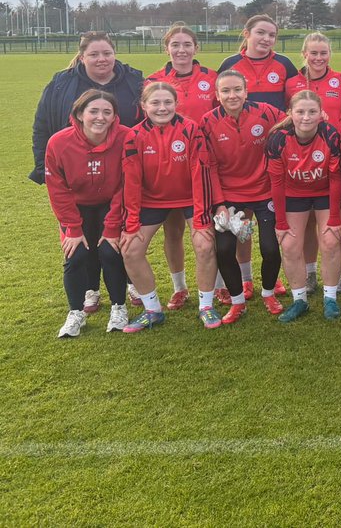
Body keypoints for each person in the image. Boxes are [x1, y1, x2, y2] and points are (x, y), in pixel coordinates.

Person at [119, 82, 226, 332]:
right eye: (155, 103)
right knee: (131, 250)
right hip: (152, 201)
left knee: (205, 244)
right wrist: (131, 223)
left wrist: (200, 220)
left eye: (167, 102)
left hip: (190, 198)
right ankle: (153, 310)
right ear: (144, 106)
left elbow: (200, 174)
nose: (162, 108)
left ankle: (206, 306)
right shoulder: (133, 136)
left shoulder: (191, 129)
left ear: (176, 104)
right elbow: (131, 182)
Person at [200, 69, 287, 318]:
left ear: (246, 91)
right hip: (229, 196)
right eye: (225, 91)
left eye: (237, 89)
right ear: (217, 95)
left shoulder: (266, 112)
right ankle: (238, 301)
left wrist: (319, 115)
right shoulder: (208, 122)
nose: (232, 95)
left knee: (270, 249)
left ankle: (269, 294)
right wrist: (218, 204)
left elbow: (292, 122)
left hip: (264, 192)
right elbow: (210, 166)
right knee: (225, 250)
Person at [44, 90, 132, 337]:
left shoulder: (126, 138)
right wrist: (72, 228)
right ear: (80, 114)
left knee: (109, 251)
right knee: (77, 254)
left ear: (115, 116)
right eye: (93, 111)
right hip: (76, 206)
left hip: (111, 203)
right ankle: (76, 313)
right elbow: (58, 190)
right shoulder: (58, 142)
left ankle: (119, 307)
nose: (100, 117)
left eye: (107, 112)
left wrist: (113, 226)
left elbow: (126, 184)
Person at [147, 24, 221, 310]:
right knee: (173, 231)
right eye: (175, 44)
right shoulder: (154, 80)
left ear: (196, 48)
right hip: (168, 168)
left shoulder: (212, 78)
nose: (181, 50)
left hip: (205, 165)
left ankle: (219, 286)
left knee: (209, 229)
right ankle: (180, 288)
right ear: (167, 48)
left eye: (187, 44)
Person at [266, 90, 341, 322]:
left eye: (312, 112)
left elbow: (335, 178)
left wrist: (334, 218)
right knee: (289, 245)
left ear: (321, 114)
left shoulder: (330, 134)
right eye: (300, 112)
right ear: (290, 113)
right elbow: (276, 182)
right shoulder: (278, 138)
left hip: (324, 193)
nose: (306, 117)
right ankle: (299, 300)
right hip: (294, 194)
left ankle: (330, 298)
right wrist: (280, 222)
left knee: (330, 240)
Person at [30, 31, 143, 188]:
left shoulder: (135, 82)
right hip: (74, 173)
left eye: (107, 53)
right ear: (82, 58)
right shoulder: (61, 84)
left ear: (114, 54)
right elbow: (42, 125)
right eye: (94, 54)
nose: (101, 59)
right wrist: (44, 167)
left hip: (123, 171)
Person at [218, 14, 298, 110]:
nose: (266, 39)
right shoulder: (230, 64)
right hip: (240, 125)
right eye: (260, 33)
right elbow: (219, 100)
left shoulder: (284, 63)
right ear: (246, 34)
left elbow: (296, 99)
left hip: (277, 124)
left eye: (272, 35)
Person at [286, 32, 341, 128]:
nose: (319, 58)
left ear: (329, 54)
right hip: (303, 141)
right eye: (314, 53)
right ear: (304, 54)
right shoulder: (291, 83)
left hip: (334, 140)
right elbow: (287, 114)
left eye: (323, 53)